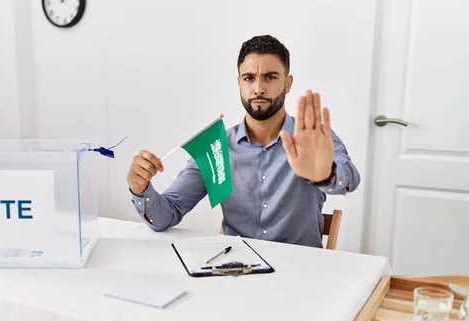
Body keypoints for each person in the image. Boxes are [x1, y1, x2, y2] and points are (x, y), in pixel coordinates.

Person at [126, 34, 361, 248]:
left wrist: (324, 175)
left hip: (300, 275)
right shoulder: (215, 148)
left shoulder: (312, 138)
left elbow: (349, 179)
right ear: (239, 82)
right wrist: (140, 188)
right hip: (235, 273)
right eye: (249, 78)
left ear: (287, 83)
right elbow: (166, 215)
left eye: (270, 77)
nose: (258, 88)